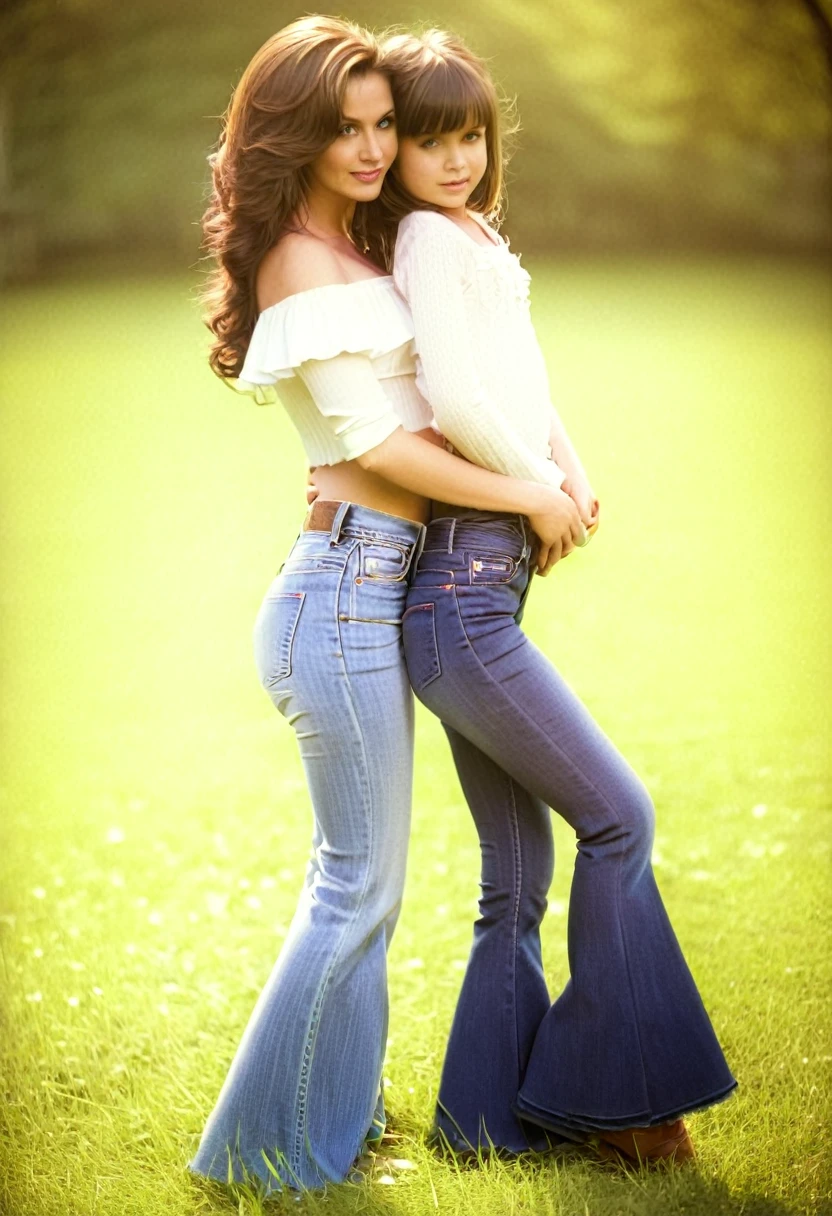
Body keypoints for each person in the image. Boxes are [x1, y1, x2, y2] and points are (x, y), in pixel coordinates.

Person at [187, 16, 582, 1194]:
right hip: (341, 590)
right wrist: (526, 492)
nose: (370, 147)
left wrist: (555, 466)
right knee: (355, 887)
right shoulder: (300, 266)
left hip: (374, 580)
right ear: (291, 134)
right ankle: (271, 1158)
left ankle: (311, 1127)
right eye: (342, 127)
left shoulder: (360, 246)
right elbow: (377, 440)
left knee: (362, 888)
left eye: (378, 125)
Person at [371, 28, 738, 1165]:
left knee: (515, 880)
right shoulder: (427, 238)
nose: (451, 158)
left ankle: (487, 1129)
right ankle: (619, 1104)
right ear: (396, 159)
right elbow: (452, 389)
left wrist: (569, 471)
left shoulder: (472, 229)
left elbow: (518, 378)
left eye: (467, 134)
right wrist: (533, 493)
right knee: (619, 816)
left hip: (482, 598)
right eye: (425, 140)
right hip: (462, 607)